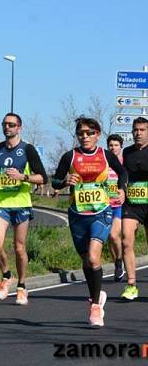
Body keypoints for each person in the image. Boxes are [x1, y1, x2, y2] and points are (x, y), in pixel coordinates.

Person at [52, 117, 127, 327]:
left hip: (101, 212)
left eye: (89, 133)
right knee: (86, 260)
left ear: (98, 134)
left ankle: (95, 305)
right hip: (77, 215)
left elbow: (122, 172)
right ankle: (96, 295)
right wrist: (65, 181)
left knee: (94, 257)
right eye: (81, 133)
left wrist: (122, 189)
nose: (85, 137)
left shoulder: (106, 155)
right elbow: (55, 181)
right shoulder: (70, 156)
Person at [0, 113, 48, 306]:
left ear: (19, 128)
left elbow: (42, 177)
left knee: (19, 248)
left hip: (21, 203)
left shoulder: (28, 149)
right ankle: (7, 275)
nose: (8, 127)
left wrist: (23, 177)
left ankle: (22, 286)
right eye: (5, 124)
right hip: (2, 203)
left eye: (12, 124)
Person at [120, 117, 148, 301]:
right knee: (126, 241)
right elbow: (124, 174)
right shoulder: (127, 152)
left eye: (142, 130)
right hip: (132, 204)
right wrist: (122, 189)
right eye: (135, 130)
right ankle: (131, 285)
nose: (138, 133)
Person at [106, 134, 125, 282]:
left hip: (119, 206)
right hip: (104, 205)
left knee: (114, 235)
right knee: (110, 239)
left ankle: (119, 261)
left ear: (121, 147)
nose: (113, 148)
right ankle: (117, 263)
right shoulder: (102, 163)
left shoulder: (125, 164)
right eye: (111, 145)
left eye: (116, 145)